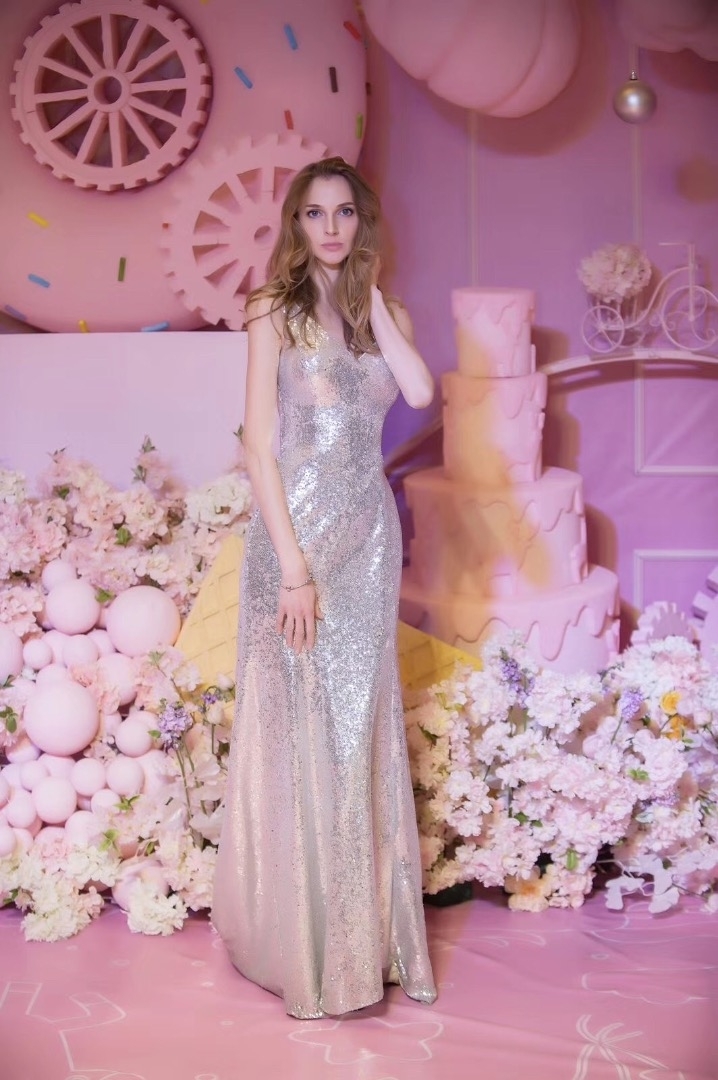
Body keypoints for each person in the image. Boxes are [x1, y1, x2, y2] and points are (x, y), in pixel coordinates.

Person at [211, 156, 437, 1019]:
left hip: (369, 541)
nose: (331, 228)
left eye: (345, 213)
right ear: (296, 225)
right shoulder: (271, 309)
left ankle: (361, 944)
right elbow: (259, 446)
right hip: (294, 542)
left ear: (362, 222)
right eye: (315, 214)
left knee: (358, 731)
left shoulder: (387, 312)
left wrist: (369, 297)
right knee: (303, 735)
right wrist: (293, 569)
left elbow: (419, 390)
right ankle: (301, 945)